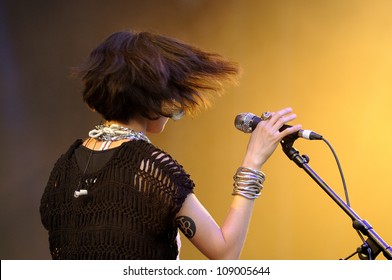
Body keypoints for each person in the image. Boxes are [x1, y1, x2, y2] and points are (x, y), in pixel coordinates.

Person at [40, 30, 301, 260]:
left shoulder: (63, 168)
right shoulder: (149, 169)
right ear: (153, 95)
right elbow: (225, 254)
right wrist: (253, 160)